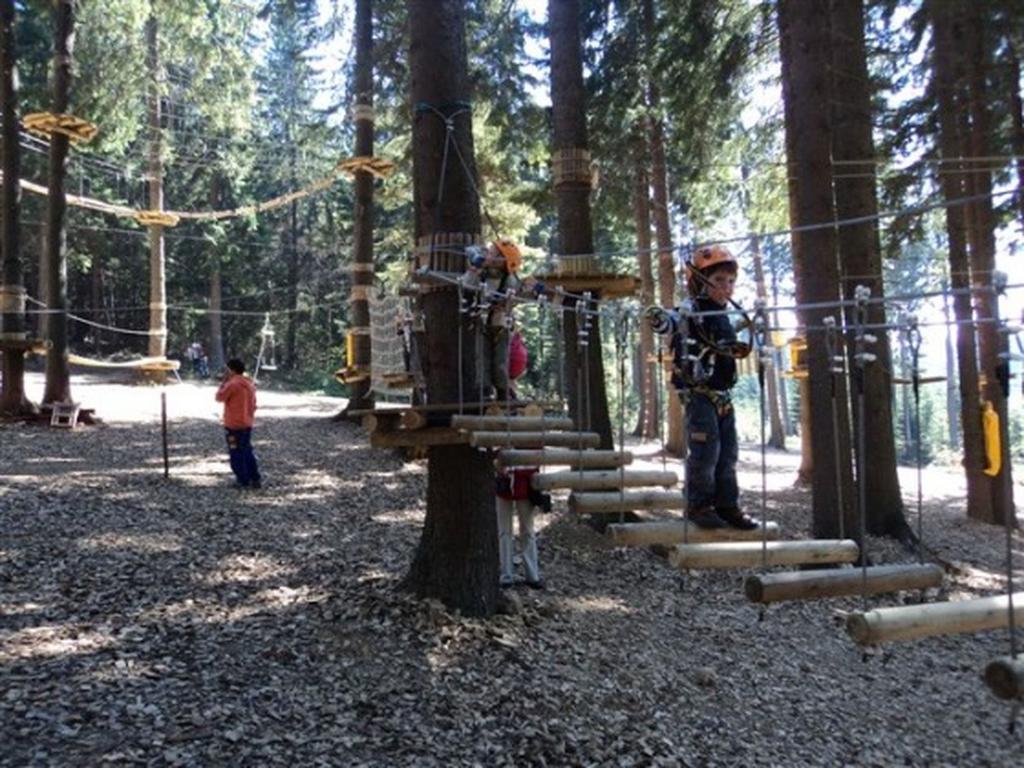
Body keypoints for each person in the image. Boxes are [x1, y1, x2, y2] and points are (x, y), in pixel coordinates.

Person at [646, 245, 758, 530]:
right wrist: (659, 319)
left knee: (728, 453)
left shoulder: (724, 315)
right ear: (698, 280)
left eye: (730, 281)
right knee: (705, 451)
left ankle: (727, 505)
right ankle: (698, 505)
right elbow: (670, 322)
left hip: (723, 395)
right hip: (698, 393)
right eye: (719, 280)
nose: (726, 287)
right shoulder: (691, 309)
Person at [463, 240, 539, 402]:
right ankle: (484, 392)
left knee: (500, 360)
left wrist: (534, 290)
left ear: (502, 261)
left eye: (492, 253)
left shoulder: (510, 279)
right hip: (481, 321)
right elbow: (467, 285)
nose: (487, 255)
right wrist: (474, 270)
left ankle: (503, 393)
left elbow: (520, 295)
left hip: (500, 323)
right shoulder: (480, 272)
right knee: (481, 358)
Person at [495, 465, 546, 589]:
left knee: (527, 531)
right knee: (504, 532)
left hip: (525, 484)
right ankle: (506, 576)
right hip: (503, 485)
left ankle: (532, 575)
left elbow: (536, 457)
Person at [215, 358, 262, 489]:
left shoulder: (232, 384)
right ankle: (255, 478)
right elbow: (254, 404)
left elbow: (219, 397)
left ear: (232, 370)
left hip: (233, 425)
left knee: (235, 451)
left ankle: (242, 480)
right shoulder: (250, 384)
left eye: (227, 369)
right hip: (247, 423)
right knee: (247, 450)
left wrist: (223, 383)